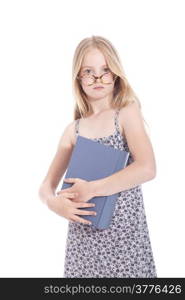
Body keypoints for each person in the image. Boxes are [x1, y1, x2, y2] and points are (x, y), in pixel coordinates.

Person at [38, 35, 157, 278]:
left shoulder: (125, 112)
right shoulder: (74, 130)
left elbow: (147, 168)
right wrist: (54, 203)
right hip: (83, 244)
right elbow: (45, 187)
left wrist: (92, 189)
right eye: (88, 71)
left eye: (105, 70)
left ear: (115, 74)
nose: (97, 78)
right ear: (78, 78)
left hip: (125, 240)